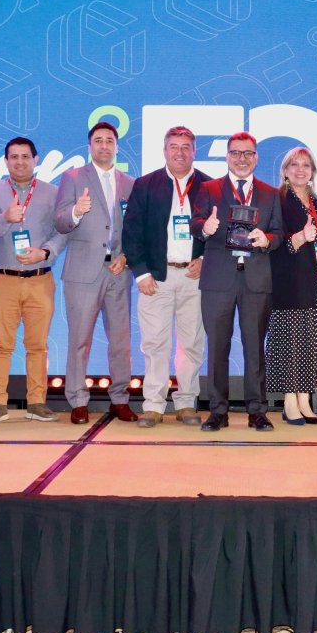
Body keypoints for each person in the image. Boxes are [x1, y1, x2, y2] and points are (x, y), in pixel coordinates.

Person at [191, 131, 283, 432]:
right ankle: (218, 411)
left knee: (255, 348)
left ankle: (257, 411)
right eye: (236, 153)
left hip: (256, 281)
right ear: (227, 156)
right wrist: (205, 227)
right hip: (218, 280)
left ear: (256, 157)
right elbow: (195, 223)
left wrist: (266, 239)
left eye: (248, 153)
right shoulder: (208, 189)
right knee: (217, 348)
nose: (241, 158)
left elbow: (279, 234)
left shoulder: (271, 193)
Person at [122, 126, 211, 429]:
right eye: (174, 146)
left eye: (186, 147)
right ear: (164, 150)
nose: (180, 153)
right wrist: (141, 272)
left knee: (192, 343)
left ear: (194, 151)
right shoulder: (145, 184)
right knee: (155, 343)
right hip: (155, 278)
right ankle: (153, 405)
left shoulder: (210, 186)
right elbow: (131, 232)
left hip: (194, 277)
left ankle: (186, 403)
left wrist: (205, 260)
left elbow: (220, 233)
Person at [0, 137, 68, 426]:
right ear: (6, 161)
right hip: (3, 278)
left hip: (40, 278)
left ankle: (37, 402)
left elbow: (63, 232)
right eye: (14, 157)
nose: (20, 162)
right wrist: (5, 218)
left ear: (36, 159)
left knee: (38, 345)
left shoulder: (52, 192)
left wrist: (45, 252)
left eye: (25, 156)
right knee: (0, 345)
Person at [55, 121, 137, 425]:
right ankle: (78, 400)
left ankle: (120, 399)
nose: (104, 145)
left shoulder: (130, 183)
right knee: (80, 339)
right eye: (98, 140)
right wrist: (76, 211)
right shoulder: (73, 177)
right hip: (82, 272)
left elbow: (136, 228)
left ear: (117, 146)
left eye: (109, 141)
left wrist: (127, 257)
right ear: (90, 146)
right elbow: (60, 222)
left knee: (120, 341)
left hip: (119, 270)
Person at [266, 146, 317, 425]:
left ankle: (305, 398)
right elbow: (271, 241)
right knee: (291, 341)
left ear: (313, 172)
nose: (300, 170)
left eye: (306, 165)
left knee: (313, 340)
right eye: (294, 165)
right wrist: (298, 238)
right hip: (289, 280)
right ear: (285, 171)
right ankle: (289, 400)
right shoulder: (276, 200)